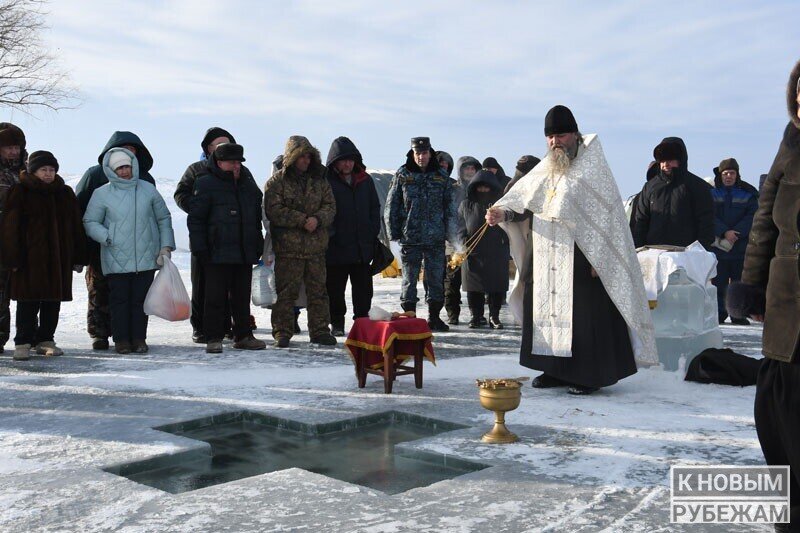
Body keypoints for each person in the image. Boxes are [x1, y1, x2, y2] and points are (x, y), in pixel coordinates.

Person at [486, 105, 657, 395]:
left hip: (582, 255)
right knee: (548, 314)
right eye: (550, 137)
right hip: (547, 253)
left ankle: (587, 376)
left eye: (561, 135)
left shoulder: (593, 169)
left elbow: (608, 219)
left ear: (575, 135)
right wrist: (504, 214)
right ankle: (554, 370)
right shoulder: (545, 168)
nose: (555, 142)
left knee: (584, 318)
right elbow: (525, 202)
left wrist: (600, 258)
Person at [727, 58, 800, 533]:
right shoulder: (789, 143)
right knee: (778, 407)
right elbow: (764, 222)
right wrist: (750, 285)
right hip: (788, 296)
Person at [83, 148, 175, 355]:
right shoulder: (102, 193)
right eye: (120, 168)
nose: (125, 171)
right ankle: (122, 340)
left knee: (140, 301)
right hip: (115, 255)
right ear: (111, 170)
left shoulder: (148, 189)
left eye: (127, 166)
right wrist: (107, 236)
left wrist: (165, 247)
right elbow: (90, 221)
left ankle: (139, 338)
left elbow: (163, 218)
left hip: (146, 255)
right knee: (119, 301)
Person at [175, 127, 258, 343]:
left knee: (238, 293)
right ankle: (204, 329)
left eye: (226, 142)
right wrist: (201, 209)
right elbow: (182, 196)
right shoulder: (198, 171)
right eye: (218, 144)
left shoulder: (244, 174)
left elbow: (255, 204)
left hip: (239, 244)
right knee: (206, 290)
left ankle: (236, 330)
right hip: (211, 242)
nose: (223, 146)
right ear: (209, 149)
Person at [0, 151, 87, 360]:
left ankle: (46, 340)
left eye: (51, 170)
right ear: (33, 171)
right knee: (27, 302)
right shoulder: (20, 191)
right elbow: (10, 228)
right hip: (28, 260)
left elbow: (76, 226)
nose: (48, 174)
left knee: (52, 302)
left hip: (58, 259)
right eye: (43, 170)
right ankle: (23, 342)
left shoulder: (64, 193)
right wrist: (10, 258)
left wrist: (78, 256)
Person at [76, 132, 157, 351]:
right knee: (99, 290)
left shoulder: (146, 180)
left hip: (137, 248)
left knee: (133, 294)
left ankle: (133, 335)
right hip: (99, 246)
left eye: (133, 150)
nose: (129, 154)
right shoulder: (94, 175)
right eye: (125, 148)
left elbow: (153, 215)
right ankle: (99, 334)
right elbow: (80, 209)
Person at [188, 143, 266, 354]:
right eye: (232, 162)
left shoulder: (247, 184)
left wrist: (258, 242)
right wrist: (200, 248)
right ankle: (213, 337)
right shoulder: (205, 183)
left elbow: (256, 217)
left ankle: (243, 335)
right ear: (219, 162)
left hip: (243, 251)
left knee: (241, 297)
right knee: (214, 297)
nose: (236, 165)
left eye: (238, 162)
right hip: (216, 252)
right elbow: (196, 220)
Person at [264, 136, 337, 348]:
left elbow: (330, 206)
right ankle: (282, 332)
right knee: (286, 293)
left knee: (318, 292)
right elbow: (274, 210)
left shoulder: (320, 181)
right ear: (292, 157)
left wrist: (318, 219)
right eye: (301, 156)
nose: (306, 160)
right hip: (289, 248)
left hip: (316, 247)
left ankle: (320, 331)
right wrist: (301, 220)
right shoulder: (277, 182)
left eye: (308, 156)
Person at [385, 137, 461, 331]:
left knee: (435, 279)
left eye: (424, 153)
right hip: (410, 237)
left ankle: (434, 317)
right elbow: (392, 205)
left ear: (430, 153)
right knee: (409, 280)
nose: (421, 157)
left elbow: (450, 210)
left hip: (435, 238)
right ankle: (409, 317)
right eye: (417, 153)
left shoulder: (441, 177)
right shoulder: (403, 174)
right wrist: (392, 234)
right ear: (412, 153)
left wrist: (453, 238)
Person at [324, 137, 381, 337]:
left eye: (351, 159)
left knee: (363, 290)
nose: (347, 164)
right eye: (343, 160)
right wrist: (331, 235)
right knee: (335, 290)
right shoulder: (326, 182)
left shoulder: (365, 181)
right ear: (335, 162)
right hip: (336, 248)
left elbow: (375, 208)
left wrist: (371, 231)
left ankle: (362, 322)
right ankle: (337, 323)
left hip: (361, 247)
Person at [631, 137, 714, 249]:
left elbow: (706, 223)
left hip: (686, 253)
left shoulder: (697, 186)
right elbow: (640, 222)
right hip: (654, 253)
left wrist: (700, 251)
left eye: (670, 160)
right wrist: (639, 249)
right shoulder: (650, 187)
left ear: (680, 160)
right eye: (662, 160)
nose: (665, 164)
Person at [710, 157, 758, 325]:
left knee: (739, 284)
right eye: (725, 173)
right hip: (719, 249)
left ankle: (738, 314)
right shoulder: (712, 194)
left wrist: (736, 233)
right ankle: (720, 314)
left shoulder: (748, 194)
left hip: (740, 247)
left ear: (737, 175)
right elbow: (709, 216)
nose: (728, 176)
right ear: (720, 175)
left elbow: (753, 215)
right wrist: (724, 231)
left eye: (731, 173)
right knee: (719, 284)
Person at [459, 169, 508, 329]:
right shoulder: (466, 204)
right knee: (474, 287)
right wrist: (462, 243)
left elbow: (508, 226)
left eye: (487, 187)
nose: (483, 190)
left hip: (496, 251)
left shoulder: (500, 205)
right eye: (480, 187)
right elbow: (459, 225)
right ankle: (476, 316)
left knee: (496, 286)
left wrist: (504, 241)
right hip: (472, 250)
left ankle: (494, 316)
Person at [0, 122, 27, 353]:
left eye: (16, 147)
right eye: (8, 147)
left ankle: (29, 338)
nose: (13, 152)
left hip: (24, 243)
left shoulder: (28, 172)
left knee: (24, 293)